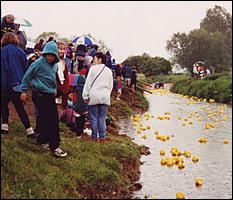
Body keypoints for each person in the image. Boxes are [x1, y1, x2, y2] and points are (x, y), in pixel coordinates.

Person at [20, 41, 67, 158]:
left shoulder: (55, 64)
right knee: (53, 120)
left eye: (52, 55)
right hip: (40, 94)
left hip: (49, 94)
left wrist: (54, 89)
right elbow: (27, 76)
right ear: (45, 53)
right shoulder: (38, 63)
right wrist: (24, 91)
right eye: (48, 54)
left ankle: (41, 140)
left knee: (47, 118)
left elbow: (51, 78)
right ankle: (55, 146)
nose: (50, 57)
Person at [1, 32, 35, 138]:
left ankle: (6, 126)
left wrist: (2, 85)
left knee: (7, 104)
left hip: (9, 83)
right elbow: (26, 69)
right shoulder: (21, 51)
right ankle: (28, 130)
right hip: (20, 83)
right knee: (15, 106)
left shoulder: (4, 51)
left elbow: (4, 68)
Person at [83, 52, 113, 143]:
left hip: (94, 95)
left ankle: (94, 137)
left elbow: (88, 83)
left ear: (100, 59)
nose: (93, 61)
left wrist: (85, 95)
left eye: (95, 59)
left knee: (94, 118)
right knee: (102, 118)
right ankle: (102, 138)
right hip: (105, 96)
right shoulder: (109, 71)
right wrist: (108, 94)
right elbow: (110, 86)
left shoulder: (93, 69)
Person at [72, 68, 89, 138]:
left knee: (78, 120)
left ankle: (78, 132)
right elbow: (81, 101)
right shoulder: (82, 90)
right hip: (81, 109)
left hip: (76, 108)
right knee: (81, 121)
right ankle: (79, 133)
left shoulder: (77, 89)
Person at [55, 42, 70, 117]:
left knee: (59, 108)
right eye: (60, 49)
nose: (62, 51)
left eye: (63, 49)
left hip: (62, 88)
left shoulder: (63, 62)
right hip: (55, 87)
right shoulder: (54, 62)